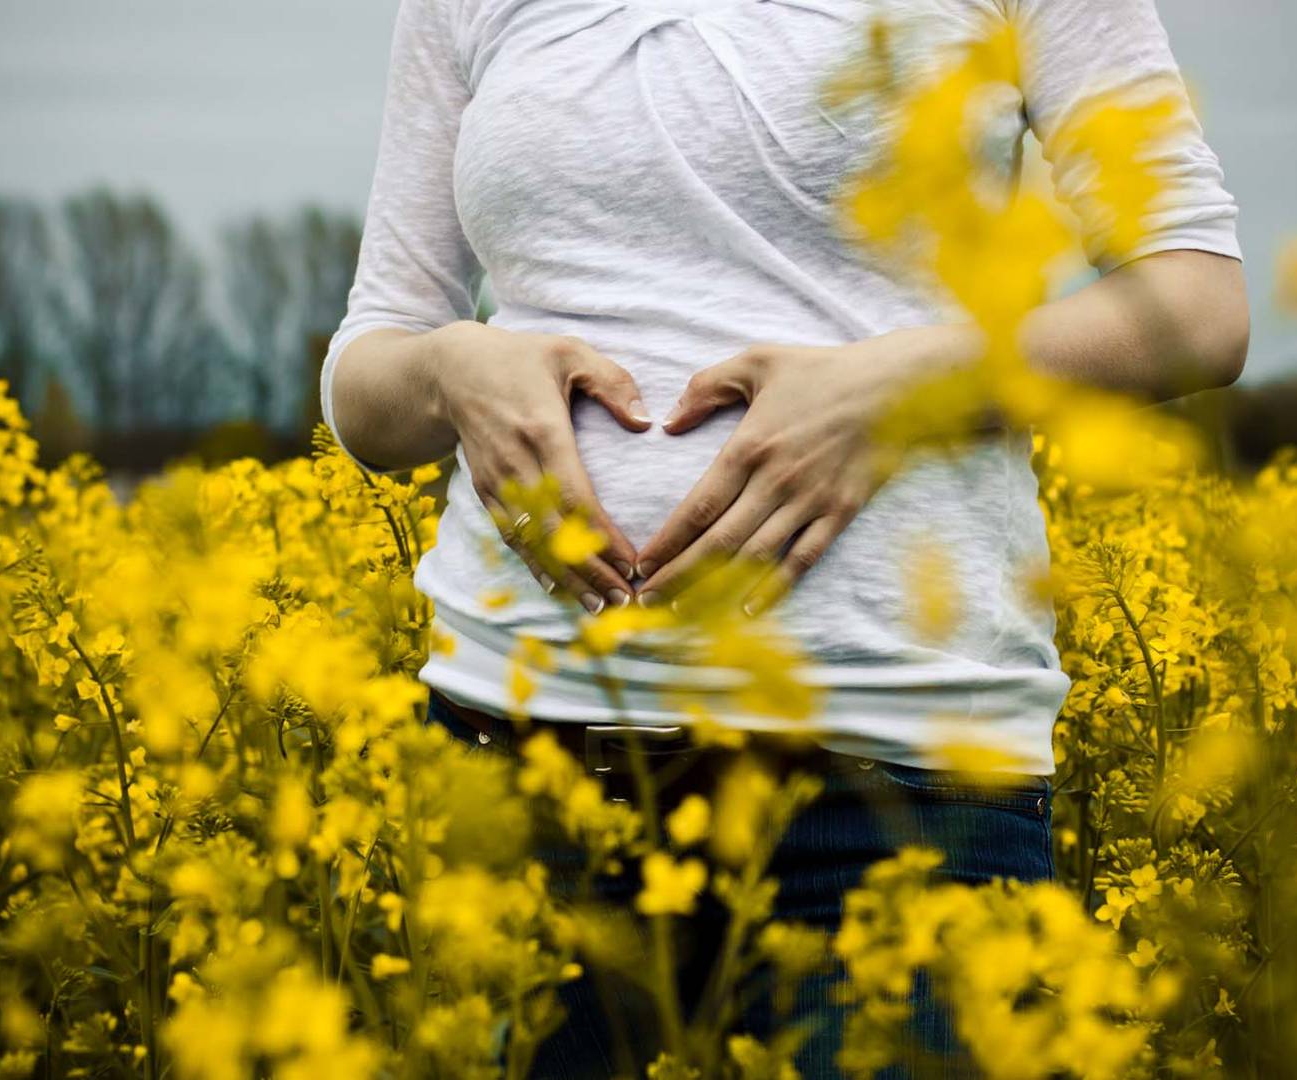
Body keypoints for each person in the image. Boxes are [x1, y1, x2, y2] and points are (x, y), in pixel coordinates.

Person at [320, 0, 1247, 1074]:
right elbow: (370, 364)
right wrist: (450, 365)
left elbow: (1198, 303)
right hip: (526, 764)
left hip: (894, 783)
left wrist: (902, 390)